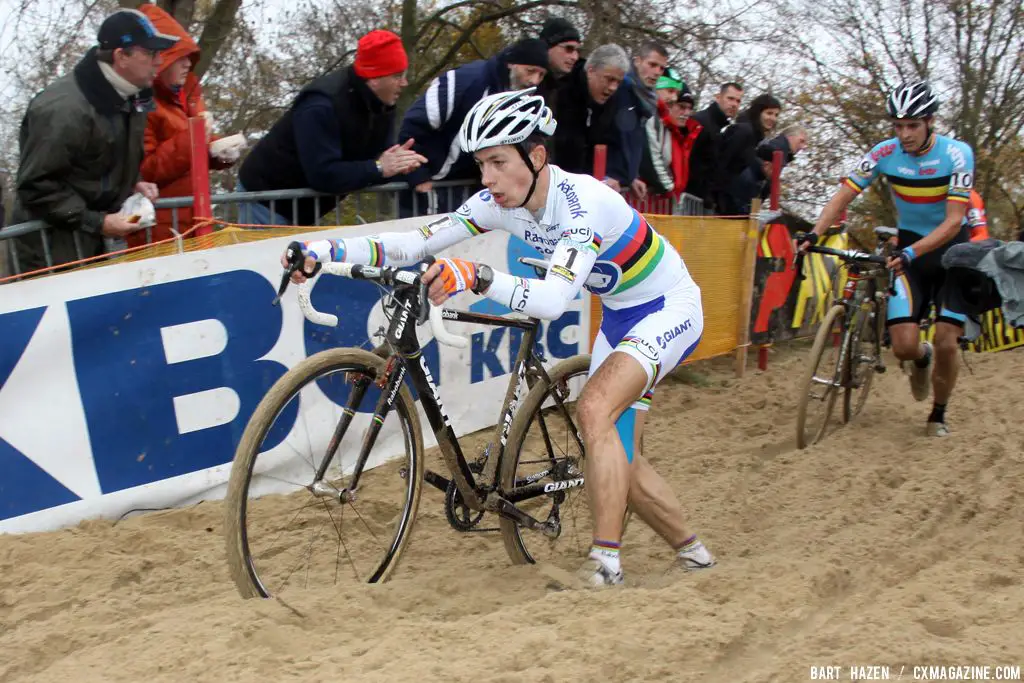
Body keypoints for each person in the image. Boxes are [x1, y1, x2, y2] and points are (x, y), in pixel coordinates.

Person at [287, 88, 717, 587]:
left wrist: (477, 276)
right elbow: (413, 243)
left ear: (536, 157)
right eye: (480, 164)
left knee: (594, 410)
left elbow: (554, 301)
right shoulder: (499, 203)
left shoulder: (583, 206)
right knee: (618, 454)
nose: (487, 178)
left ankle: (605, 564)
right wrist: (323, 248)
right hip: (620, 315)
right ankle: (694, 552)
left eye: (497, 161)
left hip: (669, 306)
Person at [799, 81, 974, 437]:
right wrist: (814, 233)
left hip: (953, 252)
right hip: (910, 250)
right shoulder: (884, 153)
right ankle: (920, 357)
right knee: (904, 347)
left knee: (946, 340)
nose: (904, 134)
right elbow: (843, 196)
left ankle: (938, 414)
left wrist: (911, 251)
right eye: (898, 126)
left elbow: (955, 220)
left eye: (912, 126)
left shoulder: (957, 154)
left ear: (930, 122)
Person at [10, 9, 174, 271]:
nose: (159, 61)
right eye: (151, 53)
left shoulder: (132, 95)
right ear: (122, 56)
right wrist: (99, 223)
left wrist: (131, 184)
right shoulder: (63, 110)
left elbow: (99, 162)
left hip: (92, 242)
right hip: (52, 253)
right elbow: (36, 186)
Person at [237, 29, 425, 226]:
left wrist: (400, 166)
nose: (404, 83)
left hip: (303, 204)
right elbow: (323, 174)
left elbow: (378, 162)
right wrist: (379, 168)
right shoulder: (321, 105)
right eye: (397, 76)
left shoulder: (383, 103)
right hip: (266, 198)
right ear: (375, 78)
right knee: (271, 257)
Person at [397, 38, 549, 217]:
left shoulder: (522, 98)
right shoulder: (466, 81)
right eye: (530, 71)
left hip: (471, 187)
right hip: (432, 184)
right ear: (511, 64)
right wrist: (418, 175)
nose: (534, 81)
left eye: (541, 75)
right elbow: (414, 124)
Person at [134, 3, 241, 246]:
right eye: (180, 58)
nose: (187, 65)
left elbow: (191, 148)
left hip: (196, 219)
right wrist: (196, 138)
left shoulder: (187, 93)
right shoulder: (143, 104)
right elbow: (147, 169)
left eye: (189, 59)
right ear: (162, 60)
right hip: (159, 230)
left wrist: (219, 151)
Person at [715, 93, 782, 214]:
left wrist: (764, 174)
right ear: (758, 112)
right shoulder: (744, 132)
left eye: (776, 115)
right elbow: (723, 164)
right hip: (722, 205)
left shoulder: (756, 139)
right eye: (769, 113)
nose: (773, 118)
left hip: (735, 204)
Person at [685, 82, 743, 213]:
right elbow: (689, 159)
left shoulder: (718, 127)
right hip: (690, 198)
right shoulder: (701, 121)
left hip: (699, 201)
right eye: (730, 98)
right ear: (718, 97)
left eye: (738, 101)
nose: (734, 104)